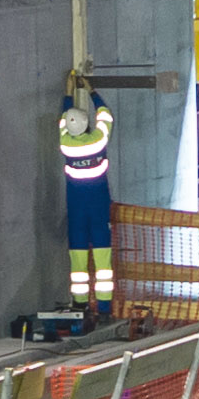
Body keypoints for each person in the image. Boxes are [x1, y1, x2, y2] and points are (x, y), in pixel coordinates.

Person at [58, 84, 116, 316]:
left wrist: (67, 93)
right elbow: (105, 115)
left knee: (78, 262)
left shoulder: (66, 144)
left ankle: (79, 303)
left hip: (76, 211)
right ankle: (104, 308)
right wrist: (92, 92)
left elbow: (63, 121)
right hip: (99, 209)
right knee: (103, 261)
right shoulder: (98, 141)